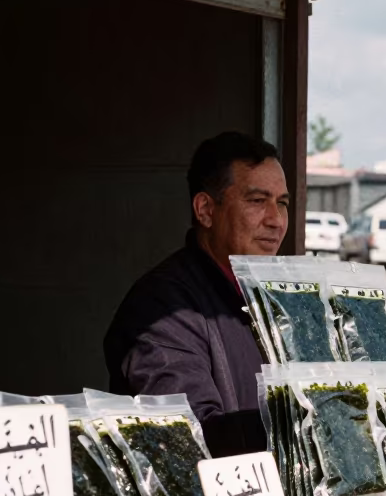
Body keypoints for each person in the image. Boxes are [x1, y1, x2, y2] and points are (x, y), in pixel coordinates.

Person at [104, 132, 289, 457]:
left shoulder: (273, 299)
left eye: (282, 203)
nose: (275, 220)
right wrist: (309, 422)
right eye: (258, 201)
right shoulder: (161, 307)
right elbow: (192, 436)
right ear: (205, 209)